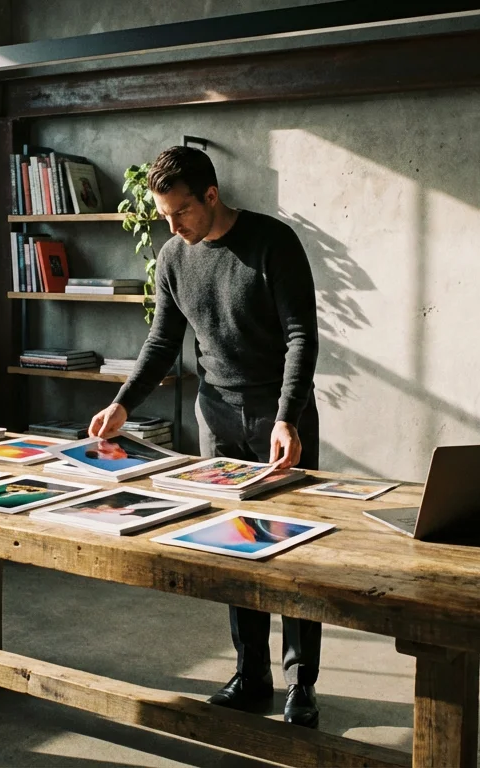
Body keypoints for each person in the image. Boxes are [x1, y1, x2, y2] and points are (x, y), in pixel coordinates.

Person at [87, 145, 322, 728]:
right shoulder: (172, 256)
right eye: (163, 216)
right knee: (236, 546)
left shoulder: (274, 243)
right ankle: (251, 674)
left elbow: (301, 335)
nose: (171, 226)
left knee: (293, 554)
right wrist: (122, 404)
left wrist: (289, 414)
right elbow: (162, 342)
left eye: (180, 213)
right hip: (215, 417)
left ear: (211, 196)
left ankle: (301, 684)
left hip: (279, 414)